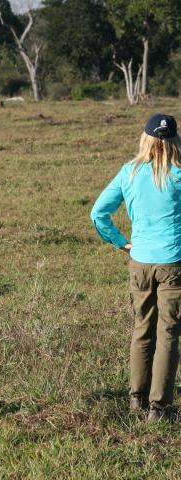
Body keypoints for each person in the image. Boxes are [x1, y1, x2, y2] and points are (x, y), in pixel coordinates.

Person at [91, 113, 181, 421]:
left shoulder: (128, 172)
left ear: (145, 139)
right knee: (168, 333)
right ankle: (160, 407)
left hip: (140, 262)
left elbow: (98, 213)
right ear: (174, 141)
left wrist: (120, 242)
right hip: (174, 263)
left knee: (143, 329)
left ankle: (136, 399)